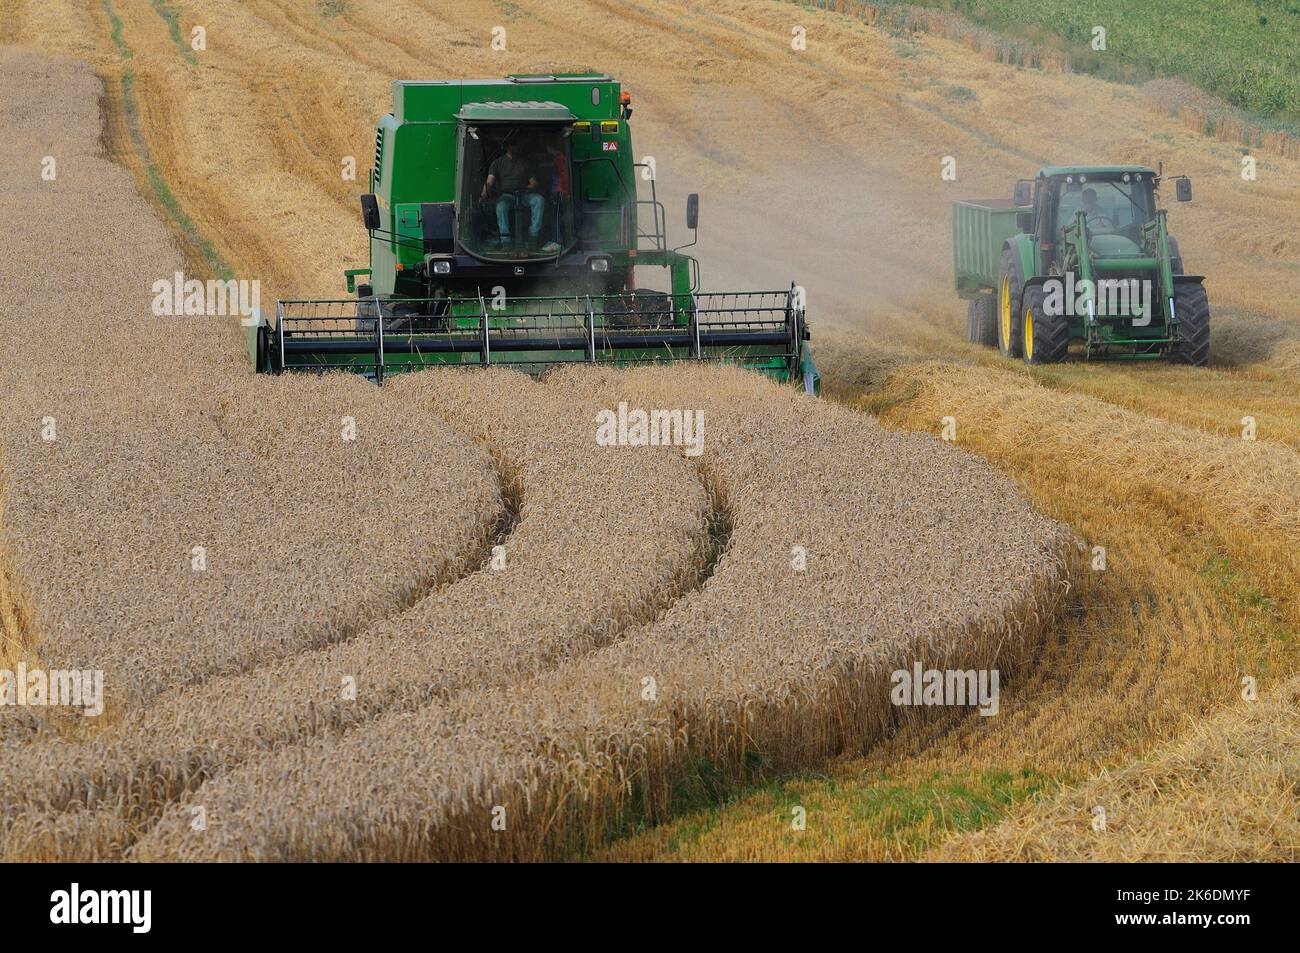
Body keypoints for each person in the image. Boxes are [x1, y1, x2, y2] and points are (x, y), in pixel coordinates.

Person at [481, 140, 544, 248]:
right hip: (506, 196)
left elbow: (533, 183)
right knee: (501, 206)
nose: (516, 147)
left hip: (524, 195)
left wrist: (525, 187)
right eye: (513, 145)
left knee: (538, 200)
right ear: (508, 146)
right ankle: (505, 240)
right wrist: (484, 193)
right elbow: (490, 181)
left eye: (517, 145)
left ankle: (533, 236)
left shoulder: (524, 163)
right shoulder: (497, 163)